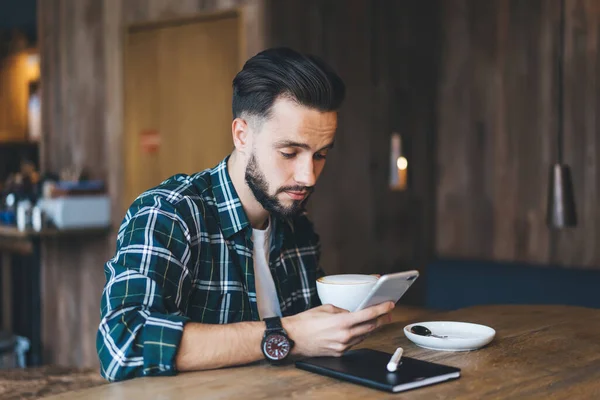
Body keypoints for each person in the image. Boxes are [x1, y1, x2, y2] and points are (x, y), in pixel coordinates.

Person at [97, 47, 395, 382]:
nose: (308, 176)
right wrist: (286, 335)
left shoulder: (295, 224)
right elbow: (123, 343)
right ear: (242, 135)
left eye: (320, 155)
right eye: (289, 152)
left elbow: (308, 345)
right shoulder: (169, 213)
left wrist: (337, 328)